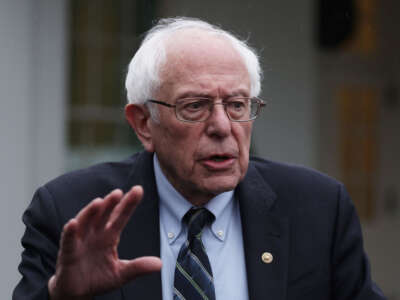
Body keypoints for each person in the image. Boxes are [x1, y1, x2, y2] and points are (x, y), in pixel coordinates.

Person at [13, 17, 385, 300]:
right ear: (143, 123)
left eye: (237, 105)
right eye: (195, 106)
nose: (223, 126)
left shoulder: (319, 208)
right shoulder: (69, 211)